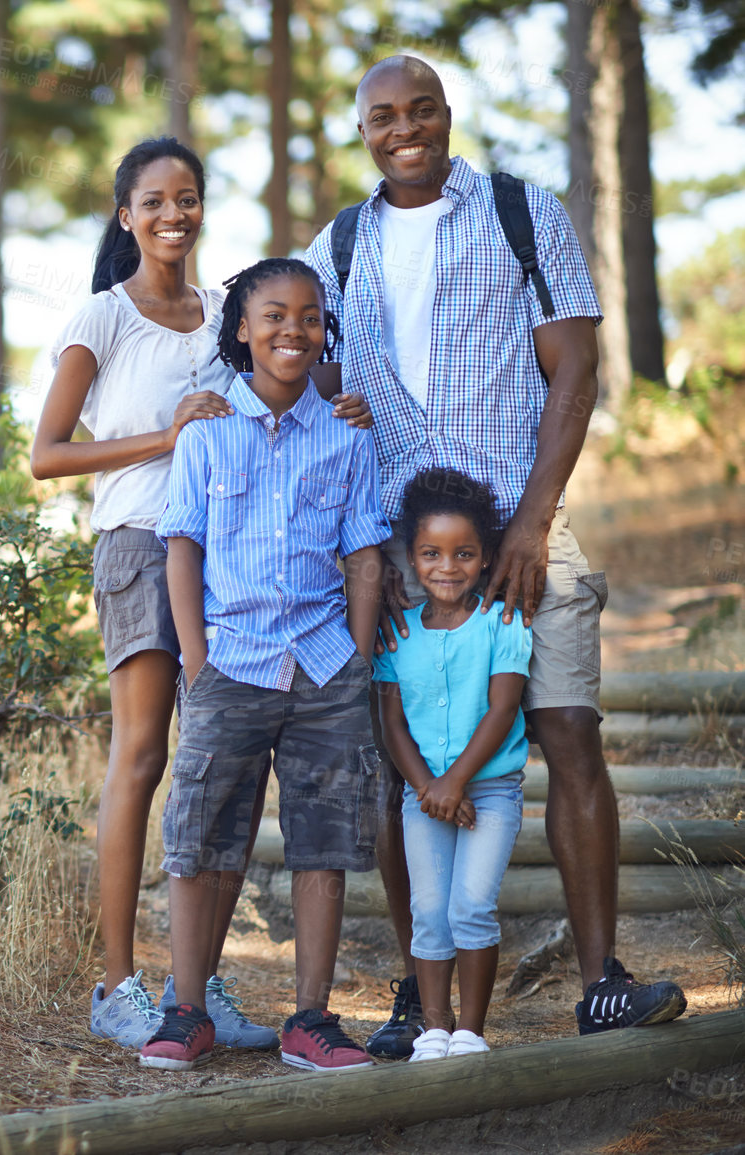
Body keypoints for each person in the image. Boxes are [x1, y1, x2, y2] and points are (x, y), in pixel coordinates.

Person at [304, 55, 687, 1054]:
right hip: (397, 555)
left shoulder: (522, 212)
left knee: (567, 732)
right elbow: (313, 392)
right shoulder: (337, 245)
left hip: (525, 537)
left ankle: (601, 977)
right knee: (400, 767)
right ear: (363, 129)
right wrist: (365, 549)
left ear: (446, 114)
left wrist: (530, 519)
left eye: (421, 109)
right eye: (383, 116)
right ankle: (417, 991)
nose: (405, 129)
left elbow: (577, 369)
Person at [32, 139, 372, 1053]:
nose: (172, 214)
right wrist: (163, 434)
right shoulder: (103, 316)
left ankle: (199, 986)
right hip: (146, 543)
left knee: (217, 774)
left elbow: (283, 373)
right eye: (153, 200)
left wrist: (343, 404)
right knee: (145, 757)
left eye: (187, 198)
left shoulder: (227, 307)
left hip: (235, 564)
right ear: (125, 214)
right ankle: (117, 985)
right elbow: (46, 455)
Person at [145, 257, 389, 1072]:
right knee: (200, 838)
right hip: (230, 664)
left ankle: (310, 1018)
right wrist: (195, 658)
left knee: (323, 843)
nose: (295, 329)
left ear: (327, 330)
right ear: (241, 330)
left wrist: (353, 657)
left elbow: (363, 554)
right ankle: (186, 1009)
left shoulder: (347, 435)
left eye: (311, 316)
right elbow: (182, 547)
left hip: (324, 667)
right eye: (275, 315)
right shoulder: (206, 432)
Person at [374, 467, 531, 1060]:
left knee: (471, 904)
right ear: (412, 559)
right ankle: (433, 1029)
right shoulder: (398, 634)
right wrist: (432, 789)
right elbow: (391, 725)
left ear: (486, 557)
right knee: (429, 911)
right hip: (424, 796)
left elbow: (502, 708)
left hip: (488, 793)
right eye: (431, 553)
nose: (447, 567)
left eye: (464, 553)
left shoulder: (504, 623)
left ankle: (470, 1030)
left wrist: (456, 781)